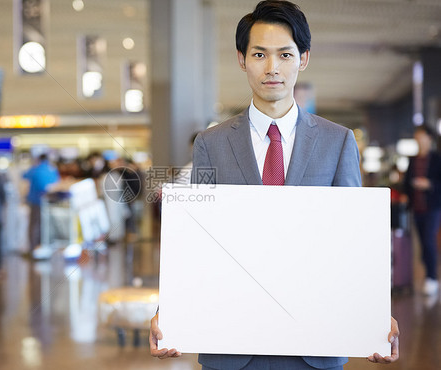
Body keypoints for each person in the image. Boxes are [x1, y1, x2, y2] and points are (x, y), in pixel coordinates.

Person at [149, 1, 399, 369]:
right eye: (259, 54)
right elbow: (196, 236)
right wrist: (169, 313)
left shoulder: (338, 141)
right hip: (231, 339)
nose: (272, 68)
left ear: (304, 58)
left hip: (315, 339)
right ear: (242, 59)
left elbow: (353, 240)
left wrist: (375, 315)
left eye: (284, 54)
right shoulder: (211, 143)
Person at [402, 126, 441, 295]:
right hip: (416, 208)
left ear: (429, 138)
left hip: (433, 207)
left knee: (428, 241)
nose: (418, 139)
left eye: (421, 136)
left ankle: (432, 277)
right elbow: (406, 182)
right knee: (422, 244)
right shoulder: (413, 160)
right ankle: (427, 274)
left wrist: (429, 184)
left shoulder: (437, 159)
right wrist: (405, 195)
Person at [22, 153, 59, 252]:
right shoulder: (52, 169)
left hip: (35, 202)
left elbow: (23, 176)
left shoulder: (35, 169)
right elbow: (56, 183)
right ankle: (43, 247)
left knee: (34, 225)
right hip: (49, 202)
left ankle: (33, 248)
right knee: (45, 225)